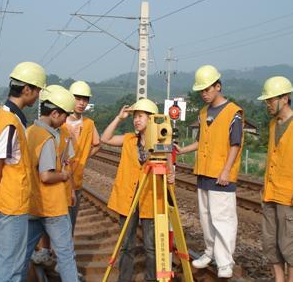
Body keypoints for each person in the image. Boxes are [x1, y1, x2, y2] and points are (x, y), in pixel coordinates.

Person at [0, 61, 46, 282]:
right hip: (12, 203)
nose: (38, 97)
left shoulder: (8, 117)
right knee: (12, 261)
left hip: (10, 200)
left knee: (5, 257)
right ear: (27, 90)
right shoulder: (10, 124)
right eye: (38, 91)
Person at [174, 65, 243, 278]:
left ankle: (225, 262)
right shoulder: (204, 113)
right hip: (203, 173)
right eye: (201, 90)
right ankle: (210, 252)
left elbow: (235, 144)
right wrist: (183, 149)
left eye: (207, 89)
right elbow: (201, 141)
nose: (204, 93)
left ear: (218, 86)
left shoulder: (234, 112)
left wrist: (226, 170)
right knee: (205, 217)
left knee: (222, 219)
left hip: (221, 175)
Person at [101, 99, 174, 282]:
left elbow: (169, 168)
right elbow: (105, 138)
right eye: (135, 116)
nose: (136, 120)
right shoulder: (128, 139)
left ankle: (151, 279)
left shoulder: (161, 142)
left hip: (151, 198)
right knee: (126, 245)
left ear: (151, 119)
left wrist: (171, 175)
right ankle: (124, 279)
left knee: (151, 246)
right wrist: (119, 118)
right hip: (128, 197)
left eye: (140, 116)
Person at [22, 85, 79, 282]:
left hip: (32, 204)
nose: (66, 120)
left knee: (23, 253)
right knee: (65, 255)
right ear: (54, 113)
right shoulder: (46, 138)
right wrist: (64, 177)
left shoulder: (29, 132)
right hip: (52, 207)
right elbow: (46, 176)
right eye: (65, 115)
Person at [257, 76, 293, 282]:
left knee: (289, 246)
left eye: (270, 100)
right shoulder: (272, 125)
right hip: (271, 193)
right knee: (271, 244)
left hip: (288, 195)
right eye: (266, 100)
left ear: (285, 98)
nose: (267, 104)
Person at [64, 80, 101, 233]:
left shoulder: (89, 124)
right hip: (58, 180)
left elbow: (97, 144)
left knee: (70, 224)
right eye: (78, 98)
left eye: (85, 99)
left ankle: (64, 254)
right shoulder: (60, 121)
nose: (82, 103)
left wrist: (85, 157)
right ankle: (48, 251)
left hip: (76, 181)